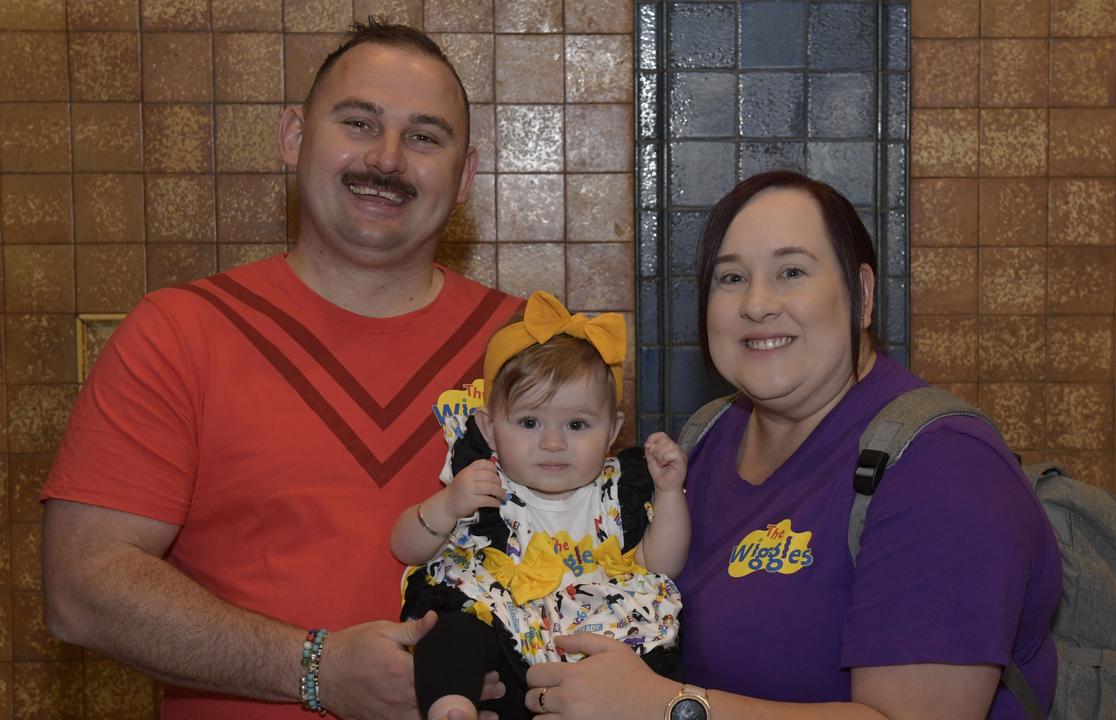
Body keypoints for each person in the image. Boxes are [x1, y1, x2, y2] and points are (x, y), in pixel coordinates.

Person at [40, 20, 524, 720]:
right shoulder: (180, 334)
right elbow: (81, 588)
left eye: (424, 137)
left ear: (466, 172)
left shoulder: (531, 343)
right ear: (294, 137)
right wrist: (317, 669)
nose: (386, 160)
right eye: (358, 122)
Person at [523, 171, 1063, 719]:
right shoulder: (705, 439)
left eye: (791, 271)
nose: (757, 305)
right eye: (731, 278)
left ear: (864, 295)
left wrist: (667, 709)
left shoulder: (944, 467)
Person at [391, 291, 688, 720]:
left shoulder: (617, 492)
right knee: (451, 629)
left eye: (577, 424)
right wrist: (447, 504)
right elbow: (405, 548)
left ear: (612, 430)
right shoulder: (481, 482)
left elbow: (662, 564)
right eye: (529, 423)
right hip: (502, 627)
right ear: (490, 429)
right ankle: (451, 707)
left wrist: (668, 492)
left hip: (593, 641)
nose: (553, 443)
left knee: (655, 649)